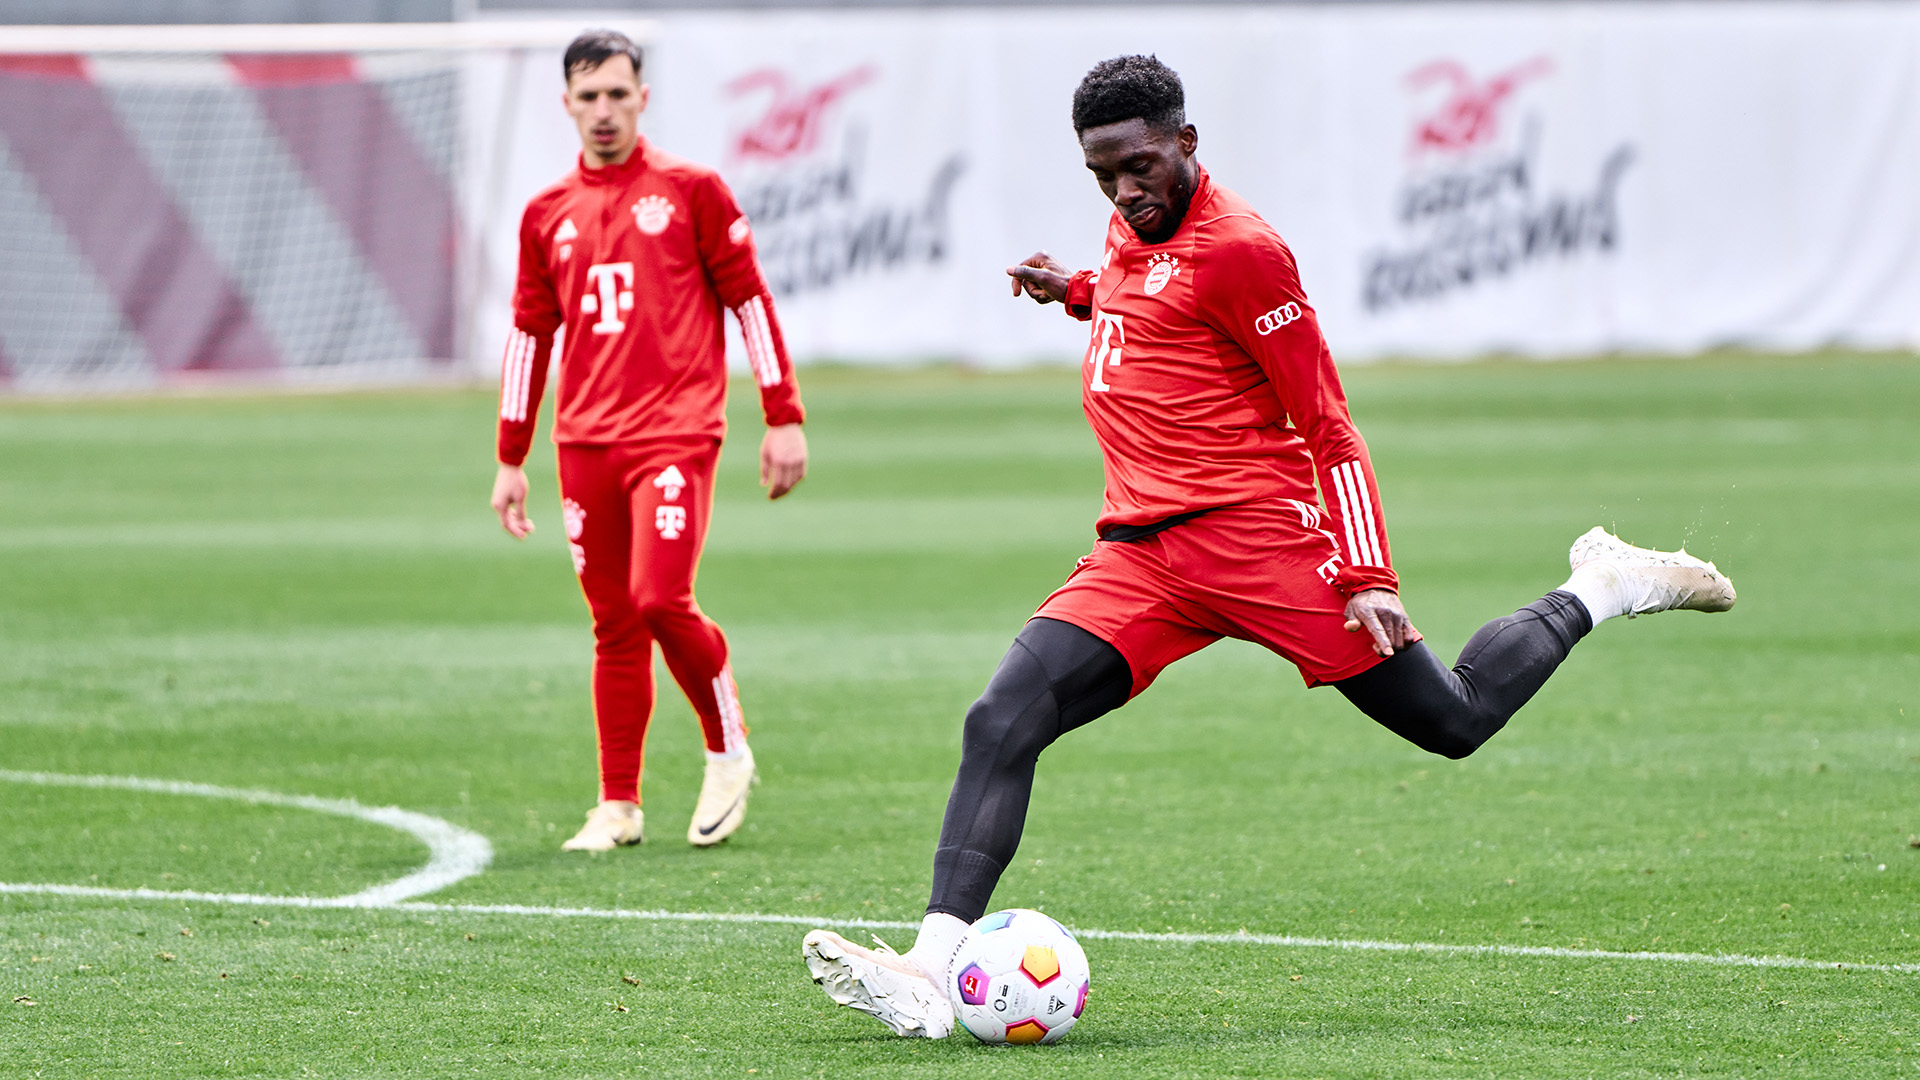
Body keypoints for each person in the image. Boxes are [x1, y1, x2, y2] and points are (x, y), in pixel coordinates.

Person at [801, 55, 1734, 1037]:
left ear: (1186, 144)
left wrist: (1369, 573)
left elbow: (1328, 423)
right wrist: (1075, 291)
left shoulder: (1244, 250)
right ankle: (929, 966)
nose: (1124, 189)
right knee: (1001, 719)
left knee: (1452, 722)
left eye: (1140, 164)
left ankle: (1601, 586)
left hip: (1263, 542)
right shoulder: (1133, 224)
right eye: (1103, 173)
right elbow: (1153, 308)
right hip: (1143, 555)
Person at [491, 30, 807, 852]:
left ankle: (727, 748)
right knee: (613, 625)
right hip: (582, 443)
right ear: (566, 103)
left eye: (617, 94)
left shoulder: (693, 190)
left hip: (674, 432)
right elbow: (531, 336)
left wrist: (783, 415)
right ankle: (618, 804)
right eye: (588, 96)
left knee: (660, 599)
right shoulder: (545, 214)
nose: (603, 111)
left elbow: (750, 303)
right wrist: (510, 457)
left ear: (643, 98)